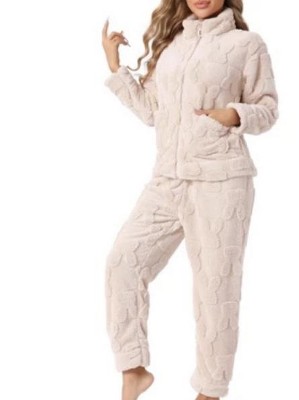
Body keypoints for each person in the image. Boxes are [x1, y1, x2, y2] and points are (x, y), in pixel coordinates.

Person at [101, 1, 279, 399]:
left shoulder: (246, 44)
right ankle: (133, 368)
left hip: (221, 180)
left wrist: (234, 115)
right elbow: (153, 113)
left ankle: (210, 391)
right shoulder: (172, 45)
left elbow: (268, 109)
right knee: (123, 262)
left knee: (215, 289)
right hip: (168, 179)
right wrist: (116, 67)